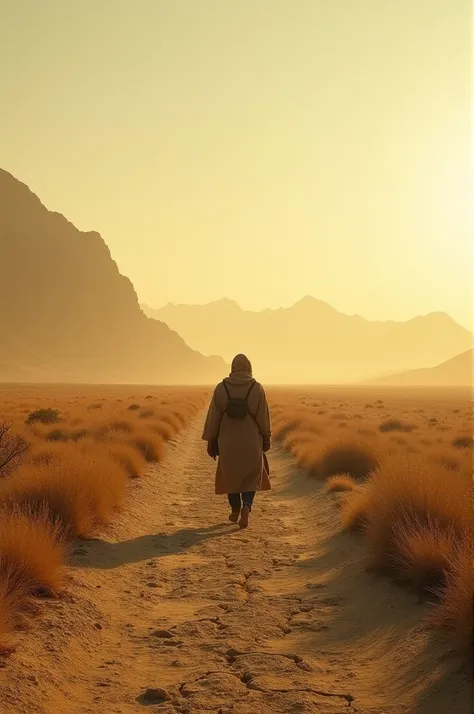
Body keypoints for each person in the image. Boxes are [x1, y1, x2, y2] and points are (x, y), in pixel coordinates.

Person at [202, 353, 271, 529]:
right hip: (251, 439)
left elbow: (214, 417)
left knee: (230, 474)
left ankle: (235, 509)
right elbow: (263, 416)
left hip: (227, 439)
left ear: (232, 368)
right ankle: (247, 506)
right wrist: (266, 437)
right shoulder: (257, 388)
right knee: (251, 475)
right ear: (249, 367)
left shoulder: (221, 387)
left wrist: (211, 440)